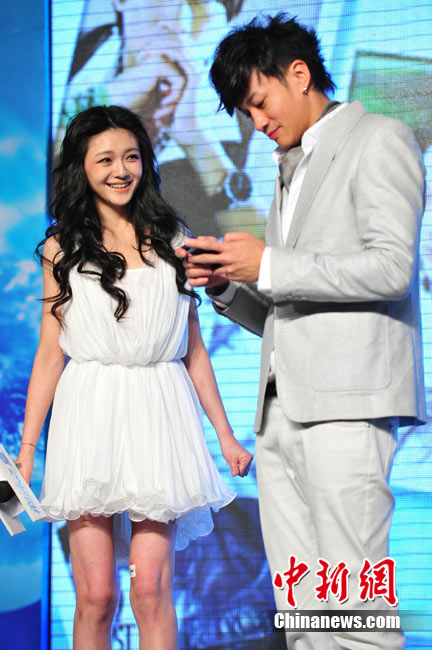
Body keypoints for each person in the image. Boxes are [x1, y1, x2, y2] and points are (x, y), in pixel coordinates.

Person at [175, 13, 426, 650]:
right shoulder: (288, 167)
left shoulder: (380, 137)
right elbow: (288, 312)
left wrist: (270, 264)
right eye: (246, 113)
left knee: (354, 612)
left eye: (260, 102)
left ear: (299, 72)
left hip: (347, 407)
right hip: (280, 414)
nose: (257, 121)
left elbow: (392, 268)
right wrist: (228, 286)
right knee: (304, 615)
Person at [15, 104, 252, 650]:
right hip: (88, 412)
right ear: (81, 167)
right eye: (105, 159)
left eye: (131, 157)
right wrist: (27, 450)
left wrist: (225, 436)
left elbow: (193, 349)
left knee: (150, 591)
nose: (121, 170)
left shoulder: (173, 238)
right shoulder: (60, 248)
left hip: (158, 411)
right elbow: (50, 353)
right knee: (96, 596)